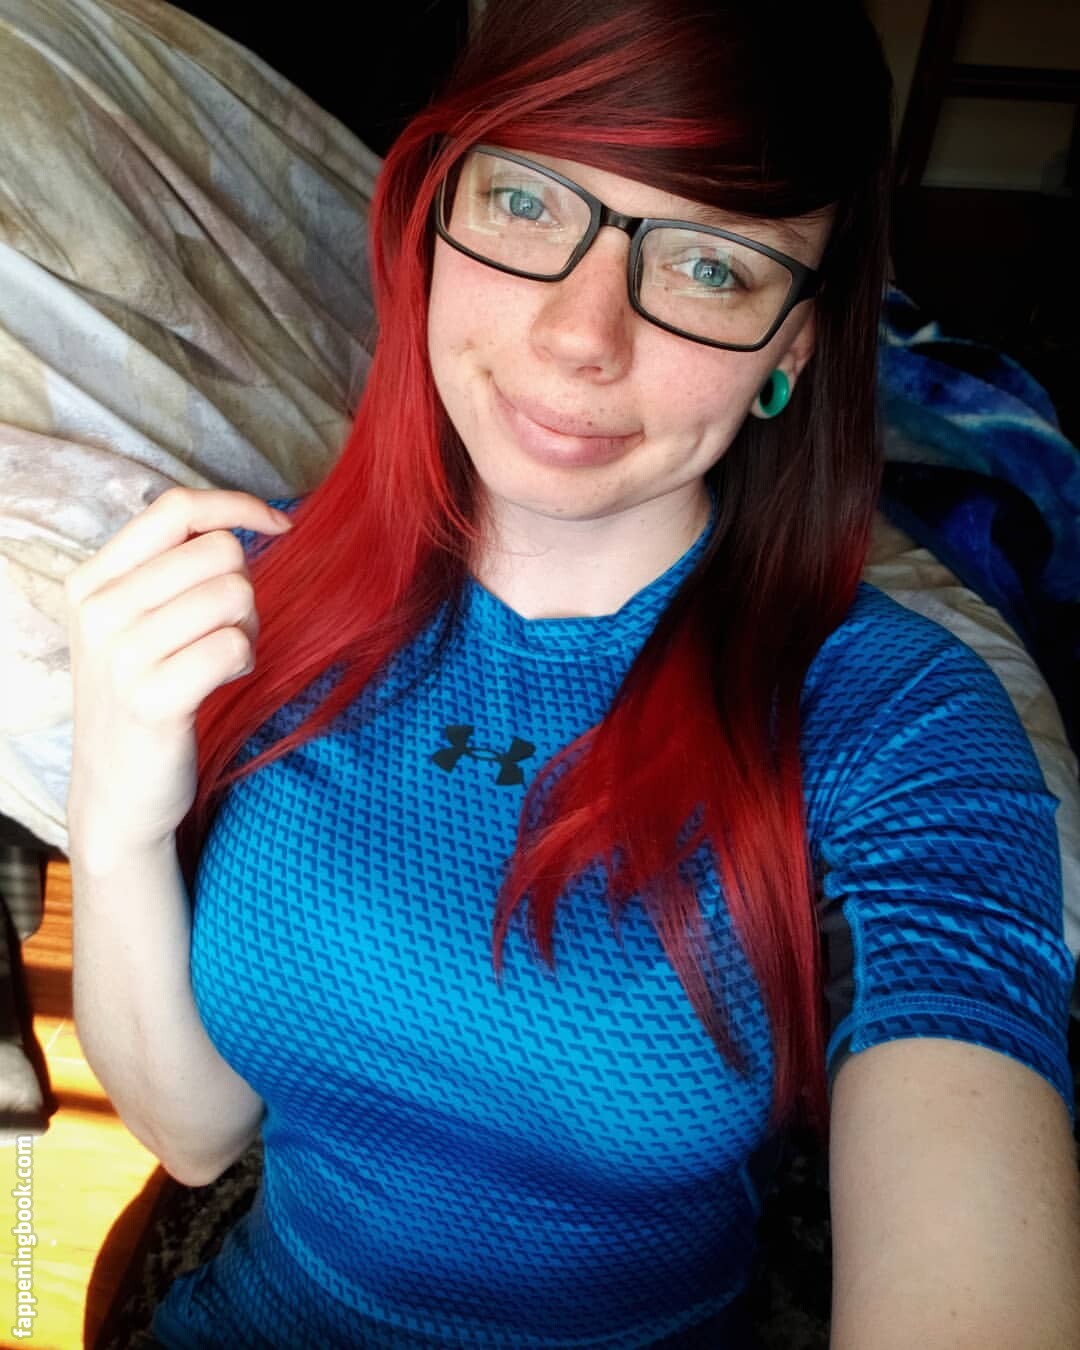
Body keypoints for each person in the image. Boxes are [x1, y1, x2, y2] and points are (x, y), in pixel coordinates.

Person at [62, 0, 1080, 1346]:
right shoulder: (256, 595)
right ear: (434, 214)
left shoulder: (896, 720)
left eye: (711, 265)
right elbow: (197, 1135)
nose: (580, 335)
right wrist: (114, 816)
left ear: (795, 342)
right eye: (529, 202)